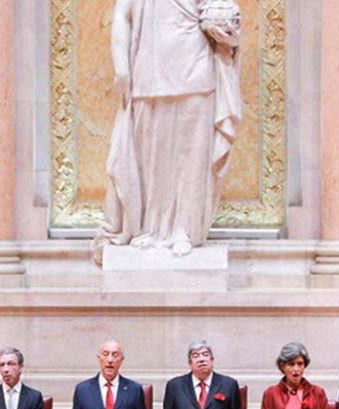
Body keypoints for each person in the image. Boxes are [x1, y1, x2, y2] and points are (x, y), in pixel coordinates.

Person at [92, 0, 242, 264]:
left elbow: (226, 15)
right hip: (148, 72)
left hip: (195, 73)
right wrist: (121, 68)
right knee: (151, 157)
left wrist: (228, 33)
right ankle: (151, 228)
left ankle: (184, 227)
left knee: (191, 158)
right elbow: (122, 15)